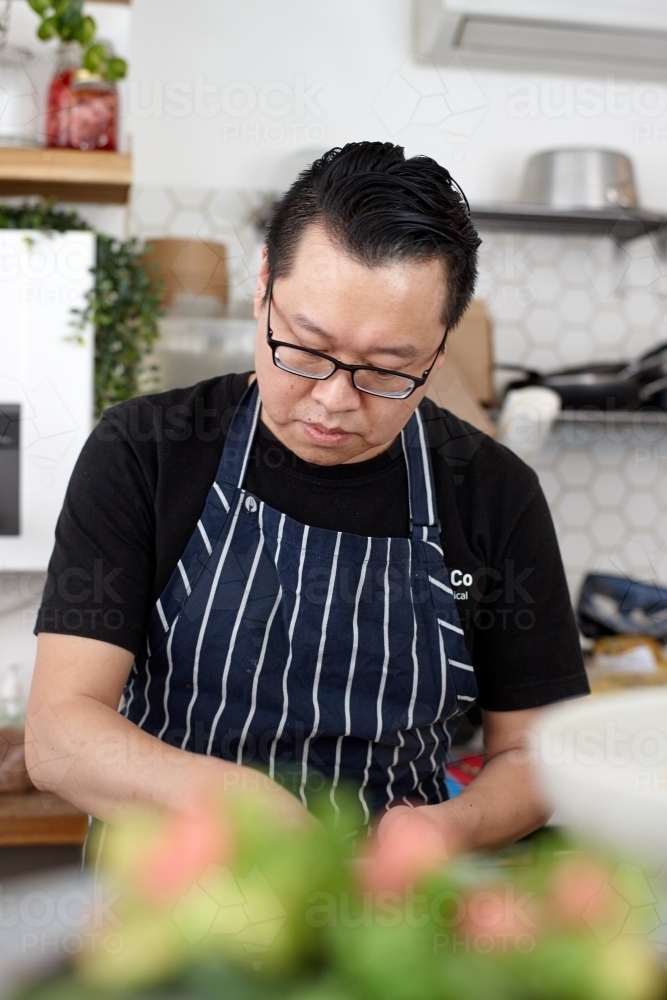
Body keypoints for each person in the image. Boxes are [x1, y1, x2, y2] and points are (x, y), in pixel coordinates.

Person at [27, 142, 588, 862]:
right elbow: (59, 733)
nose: (332, 399)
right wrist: (242, 804)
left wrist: (446, 828)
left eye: (387, 370)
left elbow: (536, 756)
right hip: (162, 923)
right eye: (305, 347)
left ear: (438, 350)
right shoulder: (147, 448)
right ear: (264, 288)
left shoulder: (493, 492)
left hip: (382, 924)